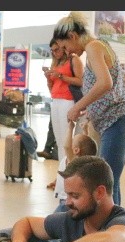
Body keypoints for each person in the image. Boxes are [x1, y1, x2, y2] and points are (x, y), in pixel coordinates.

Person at [56, 12, 125, 206]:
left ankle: (112, 229)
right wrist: (93, 107)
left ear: (73, 36)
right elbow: (123, 79)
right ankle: (113, 228)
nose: (67, 52)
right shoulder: (100, 46)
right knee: (110, 181)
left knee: (106, 183)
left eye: (66, 47)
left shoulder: (93, 47)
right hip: (115, 123)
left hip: (117, 122)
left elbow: (105, 83)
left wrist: (79, 106)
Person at [44, 38, 83, 213]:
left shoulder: (74, 59)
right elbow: (52, 86)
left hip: (68, 101)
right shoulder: (56, 62)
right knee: (60, 143)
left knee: (68, 142)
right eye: (52, 50)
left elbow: (80, 81)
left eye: (56, 49)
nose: (54, 52)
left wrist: (60, 76)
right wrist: (49, 78)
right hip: (56, 100)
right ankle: (61, 179)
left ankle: (68, 179)